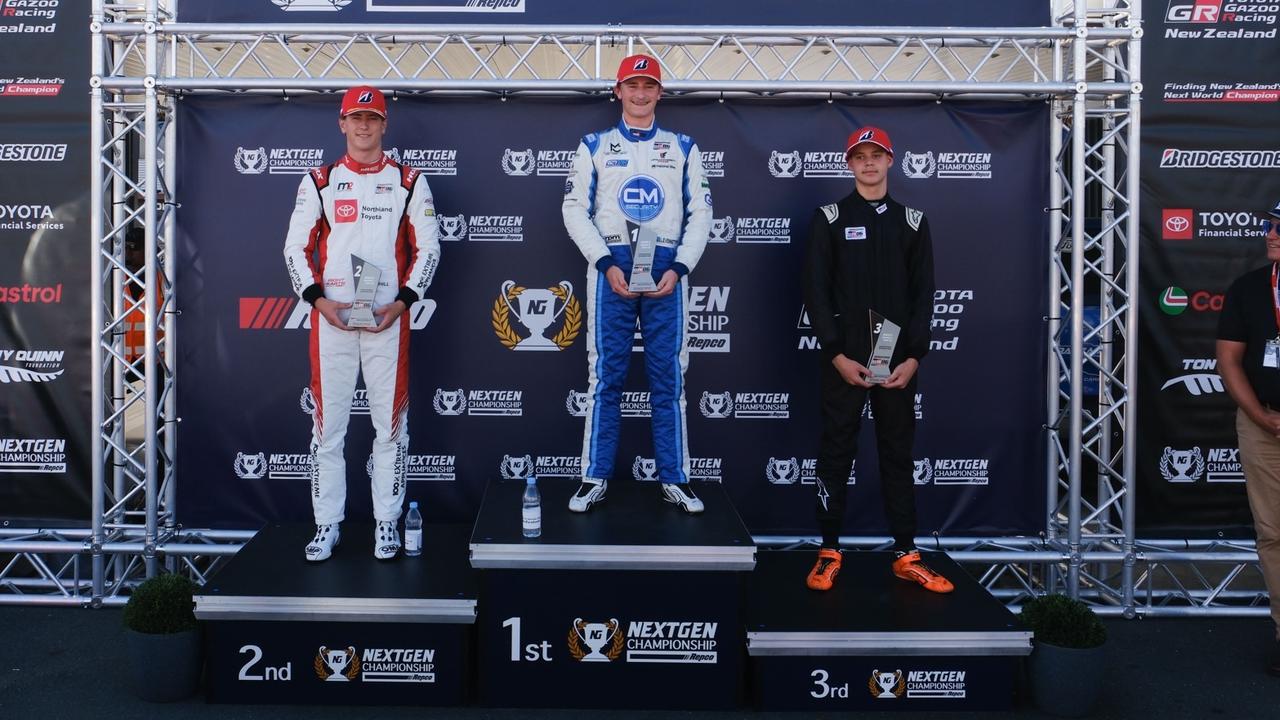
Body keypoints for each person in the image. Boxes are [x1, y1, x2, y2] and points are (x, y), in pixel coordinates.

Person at [283, 86, 441, 562]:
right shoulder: (320, 180)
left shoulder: (410, 180)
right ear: (342, 123)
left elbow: (429, 249)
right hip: (331, 320)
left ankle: (386, 525)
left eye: (372, 118)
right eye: (356, 117)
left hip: (387, 323)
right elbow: (295, 249)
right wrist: (317, 301)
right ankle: (327, 524)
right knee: (327, 430)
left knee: (390, 429)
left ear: (384, 124)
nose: (364, 126)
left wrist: (404, 302)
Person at [800, 126, 953, 593]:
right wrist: (835, 353)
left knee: (897, 454)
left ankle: (906, 553)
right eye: (860, 156)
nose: (868, 163)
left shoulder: (912, 221)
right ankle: (828, 550)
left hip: (898, 362)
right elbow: (815, 291)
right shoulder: (828, 217)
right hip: (845, 359)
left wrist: (915, 358)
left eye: (876, 155)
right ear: (849, 164)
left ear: (891, 161)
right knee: (836, 451)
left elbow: (924, 295)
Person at [561, 54, 713, 514]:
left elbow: (701, 213)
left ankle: (675, 478)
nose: (641, 94)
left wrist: (681, 267)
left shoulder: (683, 146)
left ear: (660, 93)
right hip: (613, 266)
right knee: (606, 376)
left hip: (666, 266)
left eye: (649, 86)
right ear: (618, 91)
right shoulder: (594, 145)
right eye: (633, 86)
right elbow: (573, 209)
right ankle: (594, 476)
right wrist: (606, 262)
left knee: (668, 377)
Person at [1215, 198, 1280, 675]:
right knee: (1274, 536)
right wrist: (1260, 414)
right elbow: (1229, 361)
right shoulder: (1249, 288)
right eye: (1270, 225)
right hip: (1263, 427)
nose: (1271, 234)